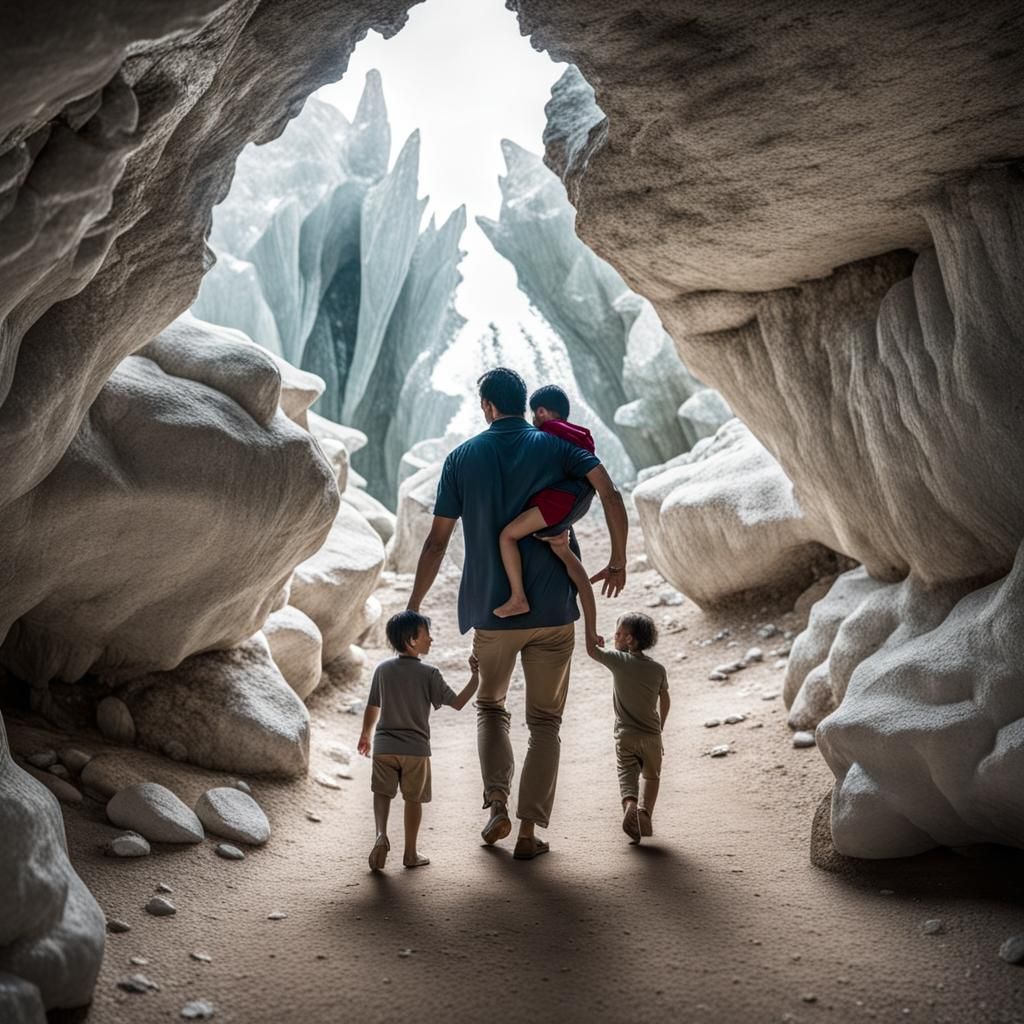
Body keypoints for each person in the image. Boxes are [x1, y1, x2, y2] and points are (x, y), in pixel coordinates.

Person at [407, 366, 628, 861]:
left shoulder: (461, 458)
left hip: (492, 614)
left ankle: (497, 807)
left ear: (487, 406)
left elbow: (436, 543)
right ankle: (529, 833)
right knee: (546, 721)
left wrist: (414, 607)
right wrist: (618, 559)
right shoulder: (558, 447)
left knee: (490, 709)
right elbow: (610, 494)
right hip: (554, 611)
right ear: (524, 402)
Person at [357, 610, 479, 871]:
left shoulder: (383, 670)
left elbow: (372, 705)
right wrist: (475, 677)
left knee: (382, 792)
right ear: (412, 640)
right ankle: (410, 854)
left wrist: (366, 734)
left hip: (384, 746)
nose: (431, 640)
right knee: (413, 799)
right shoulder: (429, 673)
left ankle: (381, 835)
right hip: (415, 750)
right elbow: (458, 703)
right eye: (427, 635)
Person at [493, 384, 603, 653]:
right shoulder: (579, 434)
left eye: (534, 414)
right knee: (571, 561)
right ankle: (592, 629)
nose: (532, 420)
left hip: (556, 504)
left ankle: (518, 596)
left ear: (542, 411)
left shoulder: (548, 433)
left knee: (507, 535)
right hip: (571, 507)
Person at [586, 612, 670, 844]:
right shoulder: (658, 670)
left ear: (630, 640)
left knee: (626, 774)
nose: (615, 637)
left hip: (625, 735)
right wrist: (659, 727)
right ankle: (645, 814)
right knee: (652, 777)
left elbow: (592, 652)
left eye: (618, 634)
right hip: (652, 736)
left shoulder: (618, 660)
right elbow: (666, 699)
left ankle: (630, 804)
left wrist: (591, 633)